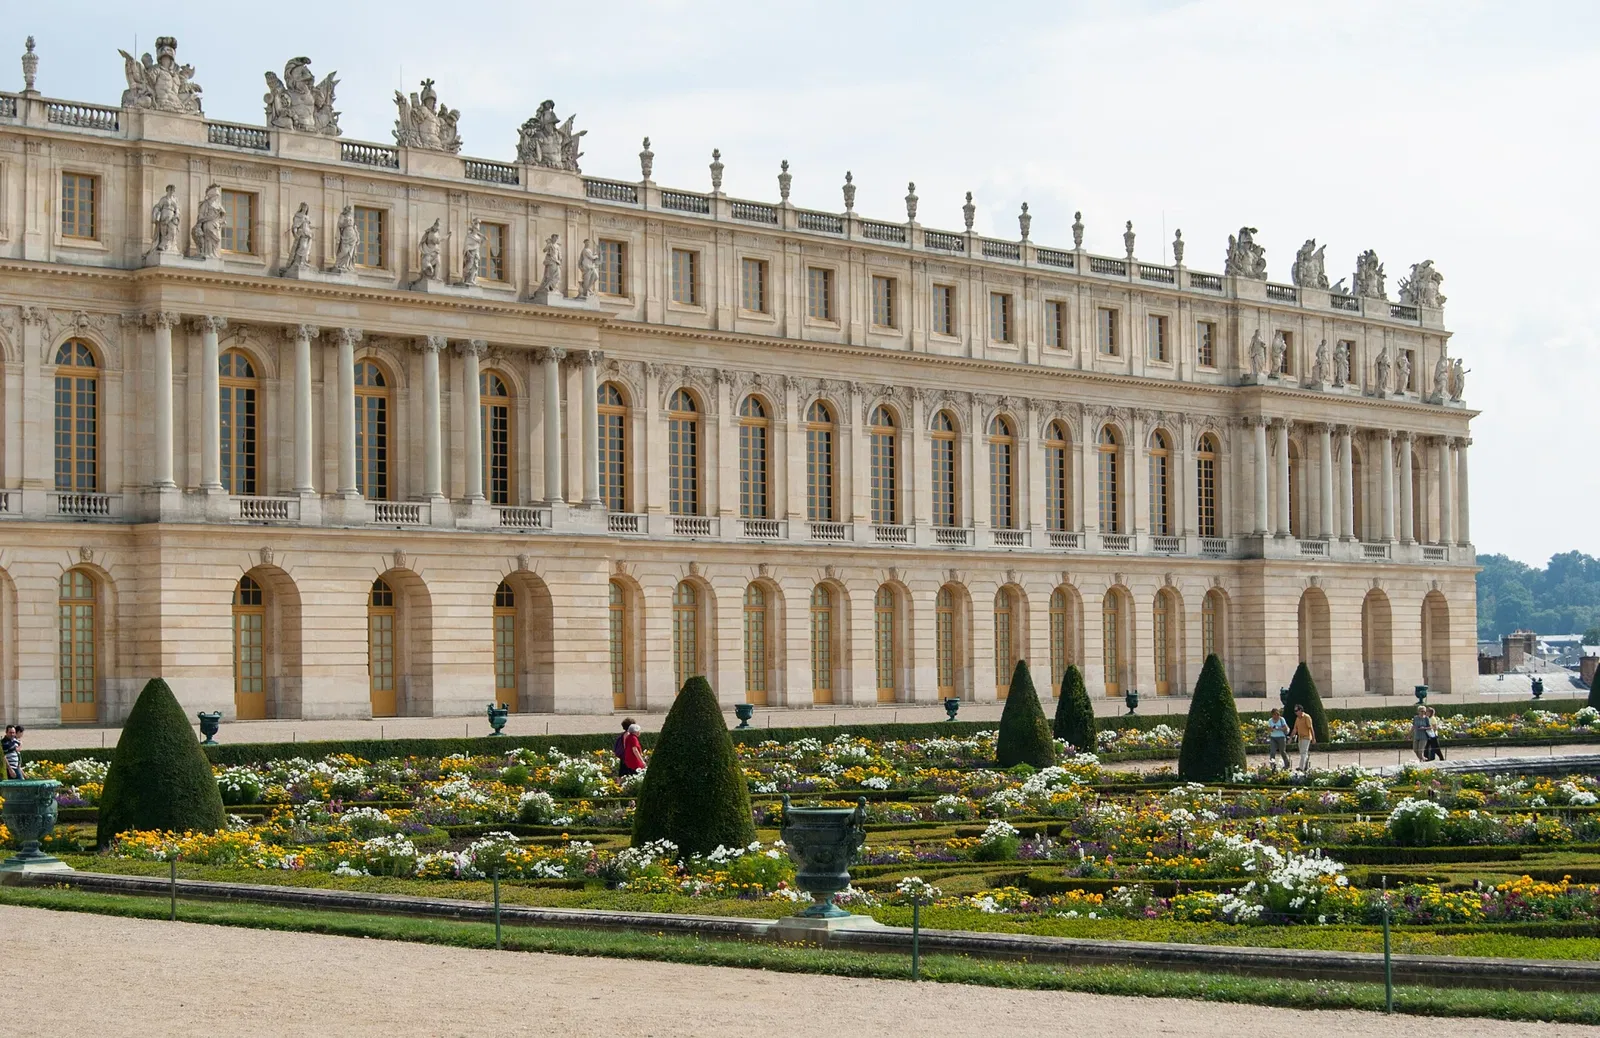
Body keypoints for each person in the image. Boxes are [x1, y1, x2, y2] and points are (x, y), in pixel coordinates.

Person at [1292, 704, 1314, 772]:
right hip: (1300, 738)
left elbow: (1310, 728)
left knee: (1303, 753)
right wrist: (1290, 738)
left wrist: (1313, 738)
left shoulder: (1307, 717)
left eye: (1296, 710)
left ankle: (1301, 768)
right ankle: (1306, 766)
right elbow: (1295, 729)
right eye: (1295, 711)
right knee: (1303, 753)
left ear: (1301, 710)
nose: (1295, 712)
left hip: (1306, 737)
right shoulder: (1298, 718)